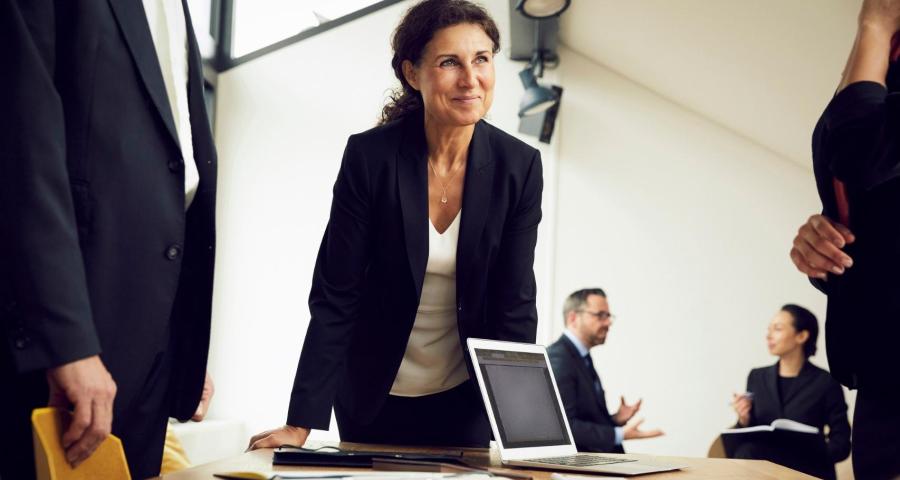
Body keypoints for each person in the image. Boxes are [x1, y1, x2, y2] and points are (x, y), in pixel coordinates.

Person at [248, 0, 542, 450]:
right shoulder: (371, 159)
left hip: (465, 397)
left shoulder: (518, 167)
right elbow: (336, 295)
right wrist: (301, 423)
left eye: (481, 59)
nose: (470, 79)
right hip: (372, 393)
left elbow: (514, 305)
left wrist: (524, 431)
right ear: (411, 73)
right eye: (449, 62)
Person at [0, 0, 218, 478]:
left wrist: (182, 341)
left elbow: (178, 168)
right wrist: (66, 341)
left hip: (153, 338)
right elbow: (23, 142)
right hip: (65, 334)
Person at [788, 1, 900, 477]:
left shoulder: (878, 29)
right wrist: (825, 247)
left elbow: (858, 153)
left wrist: (874, 21)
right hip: (880, 369)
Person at [730, 305, 850, 480]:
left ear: (801, 336)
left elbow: (841, 445)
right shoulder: (757, 377)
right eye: (769, 329)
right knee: (745, 452)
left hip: (808, 470)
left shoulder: (826, 382)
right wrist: (744, 420)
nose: (769, 335)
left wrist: (808, 452)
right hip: (766, 470)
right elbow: (751, 436)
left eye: (777, 329)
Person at [547, 289, 663, 453]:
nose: (608, 322)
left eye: (608, 316)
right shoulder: (559, 358)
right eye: (601, 315)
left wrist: (614, 420)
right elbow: (564, 426)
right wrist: (619, 434)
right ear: (573, 318)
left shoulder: (581, 356)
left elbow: (585, 418)